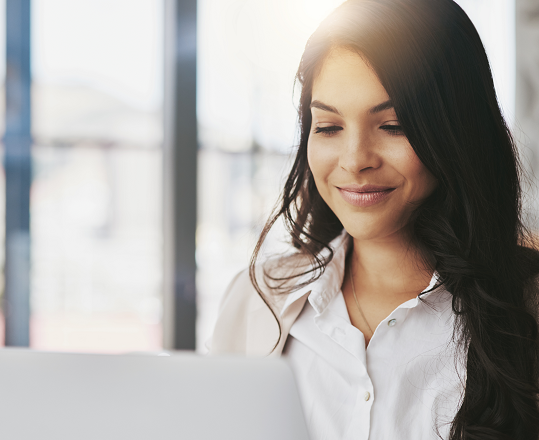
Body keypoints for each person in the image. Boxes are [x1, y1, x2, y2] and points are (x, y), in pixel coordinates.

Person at [207, 0, 539, 438]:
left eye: (394, 125)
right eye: (328, 127)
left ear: (456, 129)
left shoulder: (527, 307)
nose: (355, 160)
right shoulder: (257, 300)